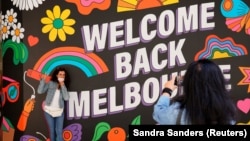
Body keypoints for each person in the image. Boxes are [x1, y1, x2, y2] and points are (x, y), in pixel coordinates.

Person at [153, 59, 237, 125]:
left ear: (188, 84)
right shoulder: (227, 112)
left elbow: (158, 113)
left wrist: (167, 90)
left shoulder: (178, 113)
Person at [37, 67, 70, 141]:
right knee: (52, 132)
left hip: (59, 112)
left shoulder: (64, 86)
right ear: (56, 75)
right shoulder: (51, 83)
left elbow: (66, 98)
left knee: (59, 132)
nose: (62, 76)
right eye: (60, 74)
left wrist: (62, 85)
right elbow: (40, 91)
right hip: (48, 111)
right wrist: (43, 80)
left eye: (63, 75)